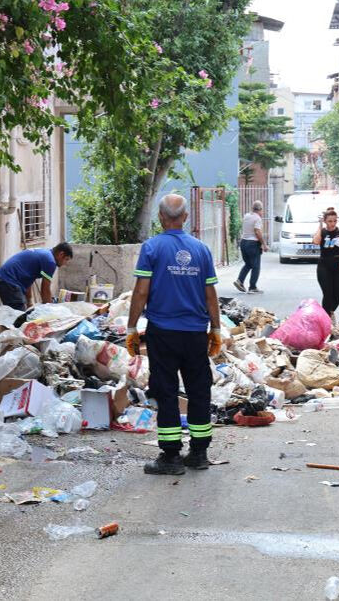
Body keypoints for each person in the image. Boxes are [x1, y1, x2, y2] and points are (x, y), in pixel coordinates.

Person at [125, 194, 222, 476]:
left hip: (163, 332)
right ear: (186, 217)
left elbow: (141, 291)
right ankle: (199, 453)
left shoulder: (152, 248)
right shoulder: (201, 250)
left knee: (166, 390)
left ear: (160, 217)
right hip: (195, 333)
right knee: (199, 390)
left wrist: (131, 327)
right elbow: (210, 294)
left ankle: (170, 457)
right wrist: (215, 329)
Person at [0, 243, 73, 310]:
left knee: (16, 313)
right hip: (8, 281)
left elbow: (29, 279)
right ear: (61, 254)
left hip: (4, 279)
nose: (65, 263)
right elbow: (45, 289)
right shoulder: (50, 261)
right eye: (66, 259)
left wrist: (29, 301)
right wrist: (50, 309)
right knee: (18, 316)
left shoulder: (45, 254)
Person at [313, 208, 339, 320]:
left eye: (335, 221)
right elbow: (316, 241)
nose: (333, 223)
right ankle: (326, 318)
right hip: (324, 265)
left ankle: (330, 312)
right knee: (327, 293)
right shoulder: (322, 231)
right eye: (330, 221)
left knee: (337, 293)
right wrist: (320, 225)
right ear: (325, 221)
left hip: (338, 264)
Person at [234, 201, 268, 294]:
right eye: (262, 210)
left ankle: (239, 281)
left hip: (244, 242)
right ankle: (252, 287)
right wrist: (264, 244)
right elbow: (257, 231)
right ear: (260, 209)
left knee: (248, 264)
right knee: (256, 266)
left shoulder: (246, 216)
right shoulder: (257, 218)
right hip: (253, 244)